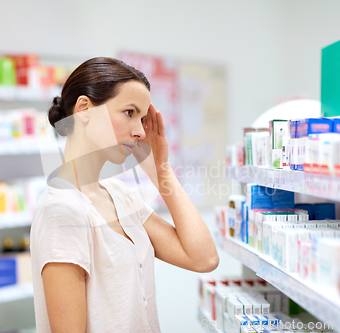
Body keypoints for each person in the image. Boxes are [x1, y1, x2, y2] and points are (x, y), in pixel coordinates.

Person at [30, 57, 219, 333]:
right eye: (129, 112)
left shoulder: (121, 196)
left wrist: (161, 169)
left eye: (142, 118)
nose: (140, 131)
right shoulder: (63, 211)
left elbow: (203, 259)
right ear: (84, 109)